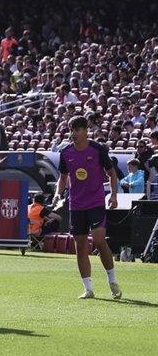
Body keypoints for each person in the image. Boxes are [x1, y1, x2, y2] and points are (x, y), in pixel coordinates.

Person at [53, 115, 121, 300]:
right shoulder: (66, 152)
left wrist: (114, 195)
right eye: (71, 129)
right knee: (80, 246)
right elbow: (63, 177)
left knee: (99, 240)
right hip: (76, 205)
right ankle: (88, 289)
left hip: (96, 203)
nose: (73, 133)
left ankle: (112, 280)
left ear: (85, 131)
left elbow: (112, 174)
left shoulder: (97, 149)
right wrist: (58, 193)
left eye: (76, 129)